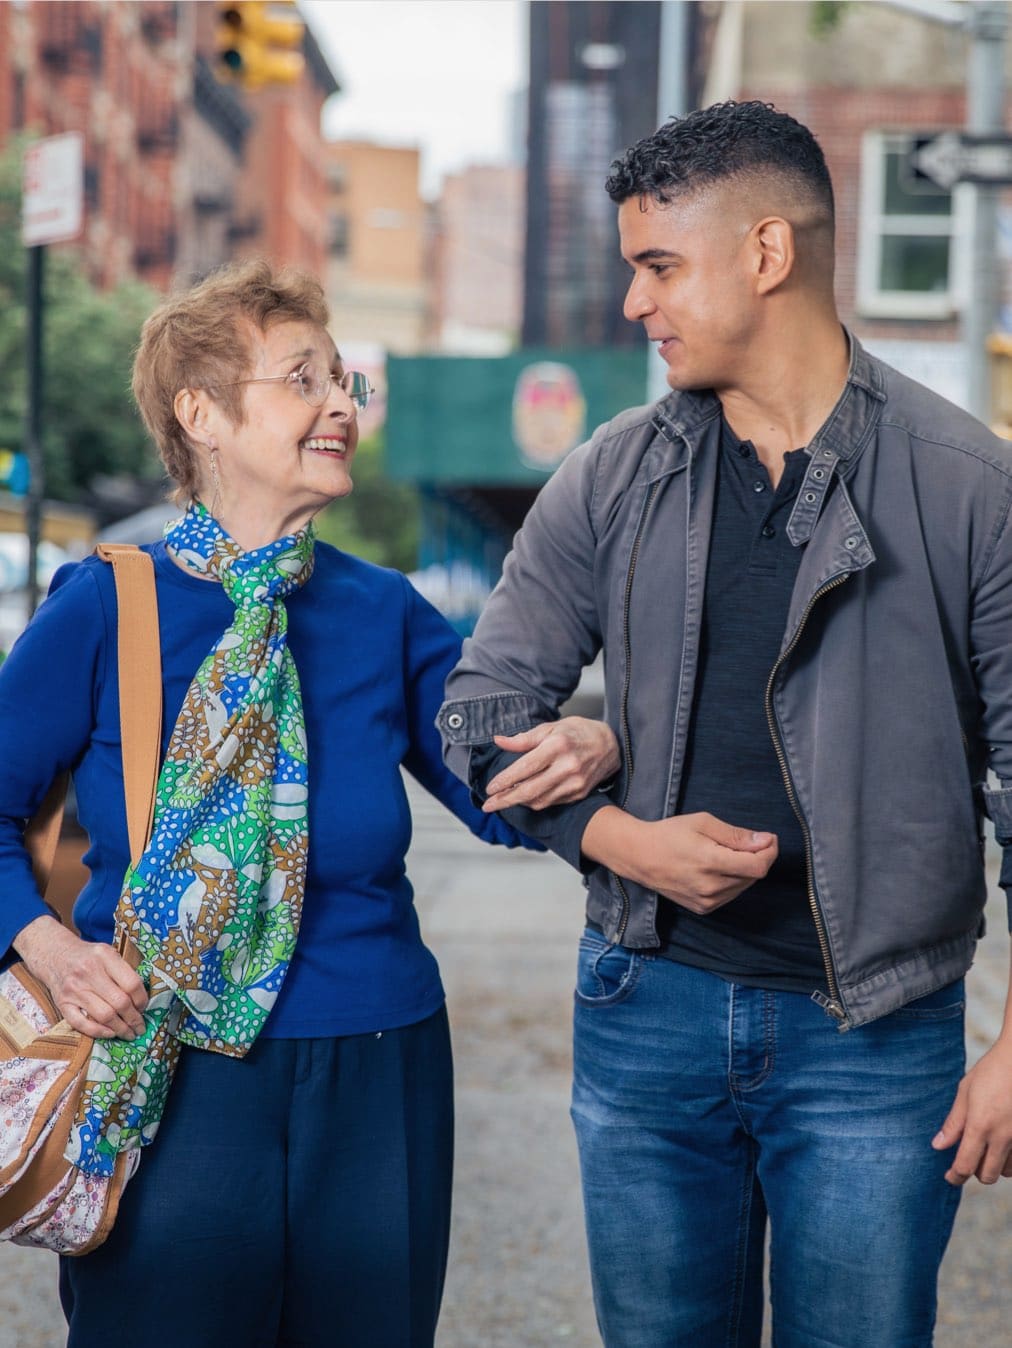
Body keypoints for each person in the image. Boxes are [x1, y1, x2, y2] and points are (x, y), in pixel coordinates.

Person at [439, 101, 1012, 1347]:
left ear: (765, 254)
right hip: (645, 1014)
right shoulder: (611, 471)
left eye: (659, 266)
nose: (637, 305)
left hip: (876, 1041)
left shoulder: (970, 486)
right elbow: (479, 712)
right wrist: (612, 836)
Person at [0, 258, 618, 1348]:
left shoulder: (383, 612)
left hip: (378, 1067)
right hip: (167, 1066)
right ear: (202, 413)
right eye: (303, 380)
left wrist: (589, 745)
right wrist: (49, 947)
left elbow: (498, 790)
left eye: (345, 383)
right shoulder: (108, 604)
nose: (341, 404)